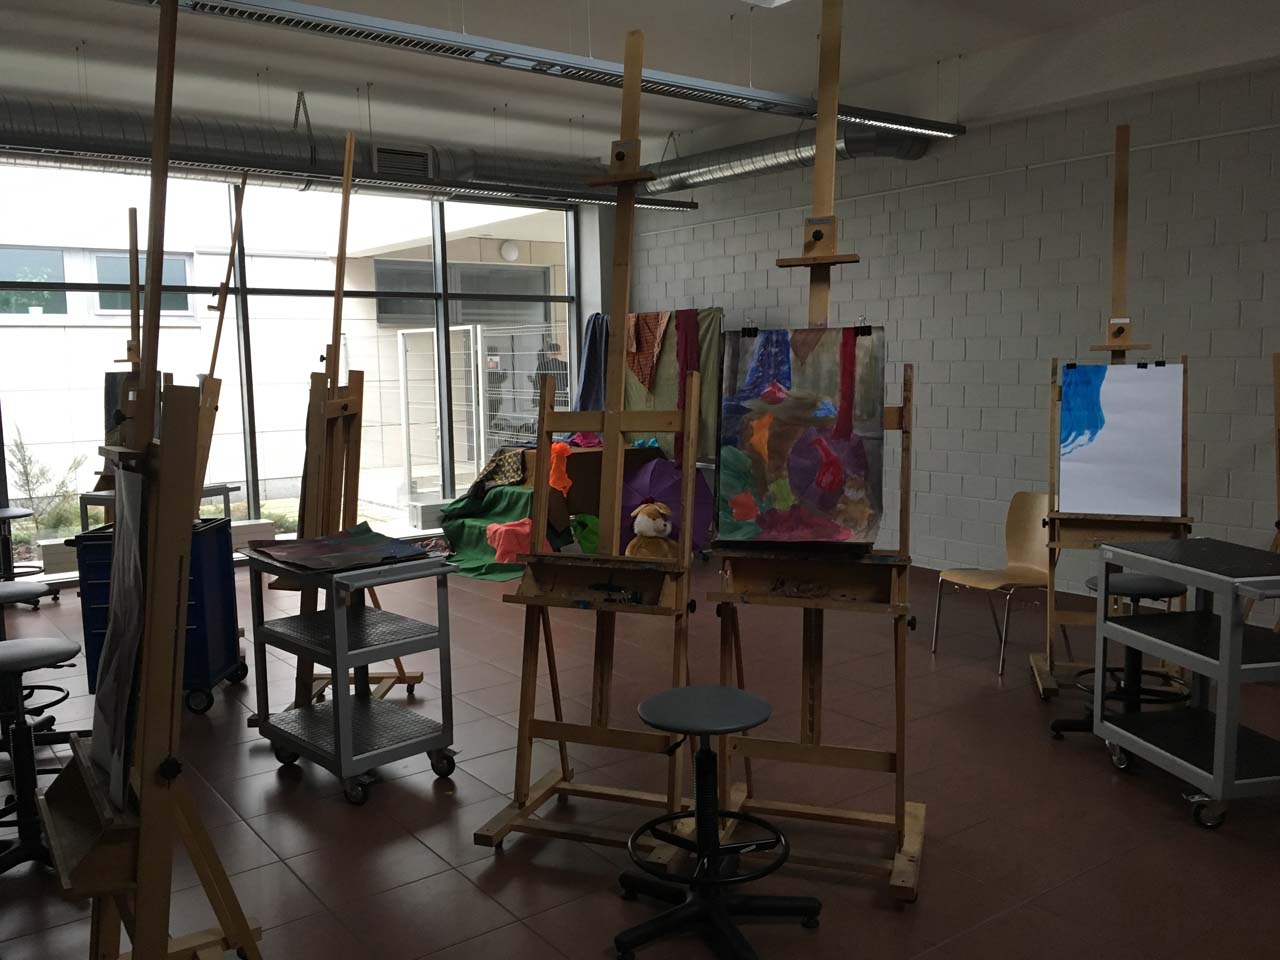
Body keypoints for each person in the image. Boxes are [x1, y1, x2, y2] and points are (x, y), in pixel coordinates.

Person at [531, 341, 570, 406]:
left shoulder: (542, 365)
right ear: (559, 352)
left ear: (548, 353)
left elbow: (538, 384)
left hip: (546, 399)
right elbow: (567, 383)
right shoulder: (566, 365)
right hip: (562, 399)